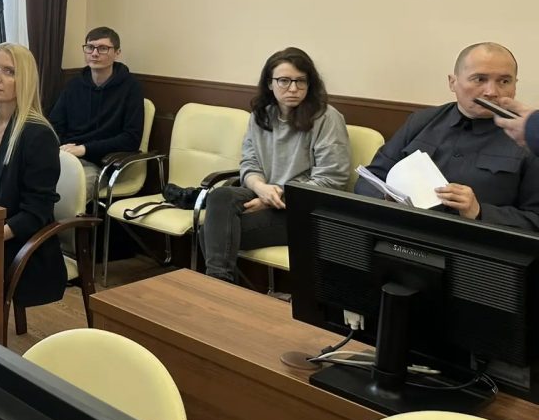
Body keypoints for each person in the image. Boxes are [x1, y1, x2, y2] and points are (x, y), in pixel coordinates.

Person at [201, 47, 350, 282]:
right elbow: (249, 163)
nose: (293, 88)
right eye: (284, 81)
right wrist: (261, 189)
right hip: (265, 191)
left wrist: (272, 199)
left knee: (210, 233)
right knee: (220, 196)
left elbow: (332, 180)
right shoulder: (261, 115)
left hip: (303, 207)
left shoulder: (327, 117)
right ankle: (221, 288)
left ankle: (218, 289)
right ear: (270, 83)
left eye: (301, 81)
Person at [355, 42, 539, 232]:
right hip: (405, 232)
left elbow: (535, 219)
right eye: (479, 79)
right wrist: (385, 201)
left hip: (476, 242)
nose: (491, 92)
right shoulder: (422, 121)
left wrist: (479, 212)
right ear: (453, 82)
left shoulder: (529, 137)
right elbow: (370, 179)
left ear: (515, 86)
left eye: (504, 81)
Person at [0, 42, 65, 311]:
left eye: (9, 71)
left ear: (25, 81)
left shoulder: (38, 135)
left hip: (24, 245)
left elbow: (37, 211)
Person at [48, 26, 146, 195]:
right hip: (65, 156)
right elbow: (54, 124)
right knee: (29, 180)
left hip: (101, 165)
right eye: (90, 47)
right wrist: (64, 146)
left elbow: (131, 139)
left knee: (68, 192)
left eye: (102, 48)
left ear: (117, 53)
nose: (94, 53)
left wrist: (85, 149)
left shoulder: (131, 87)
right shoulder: (74, 84)